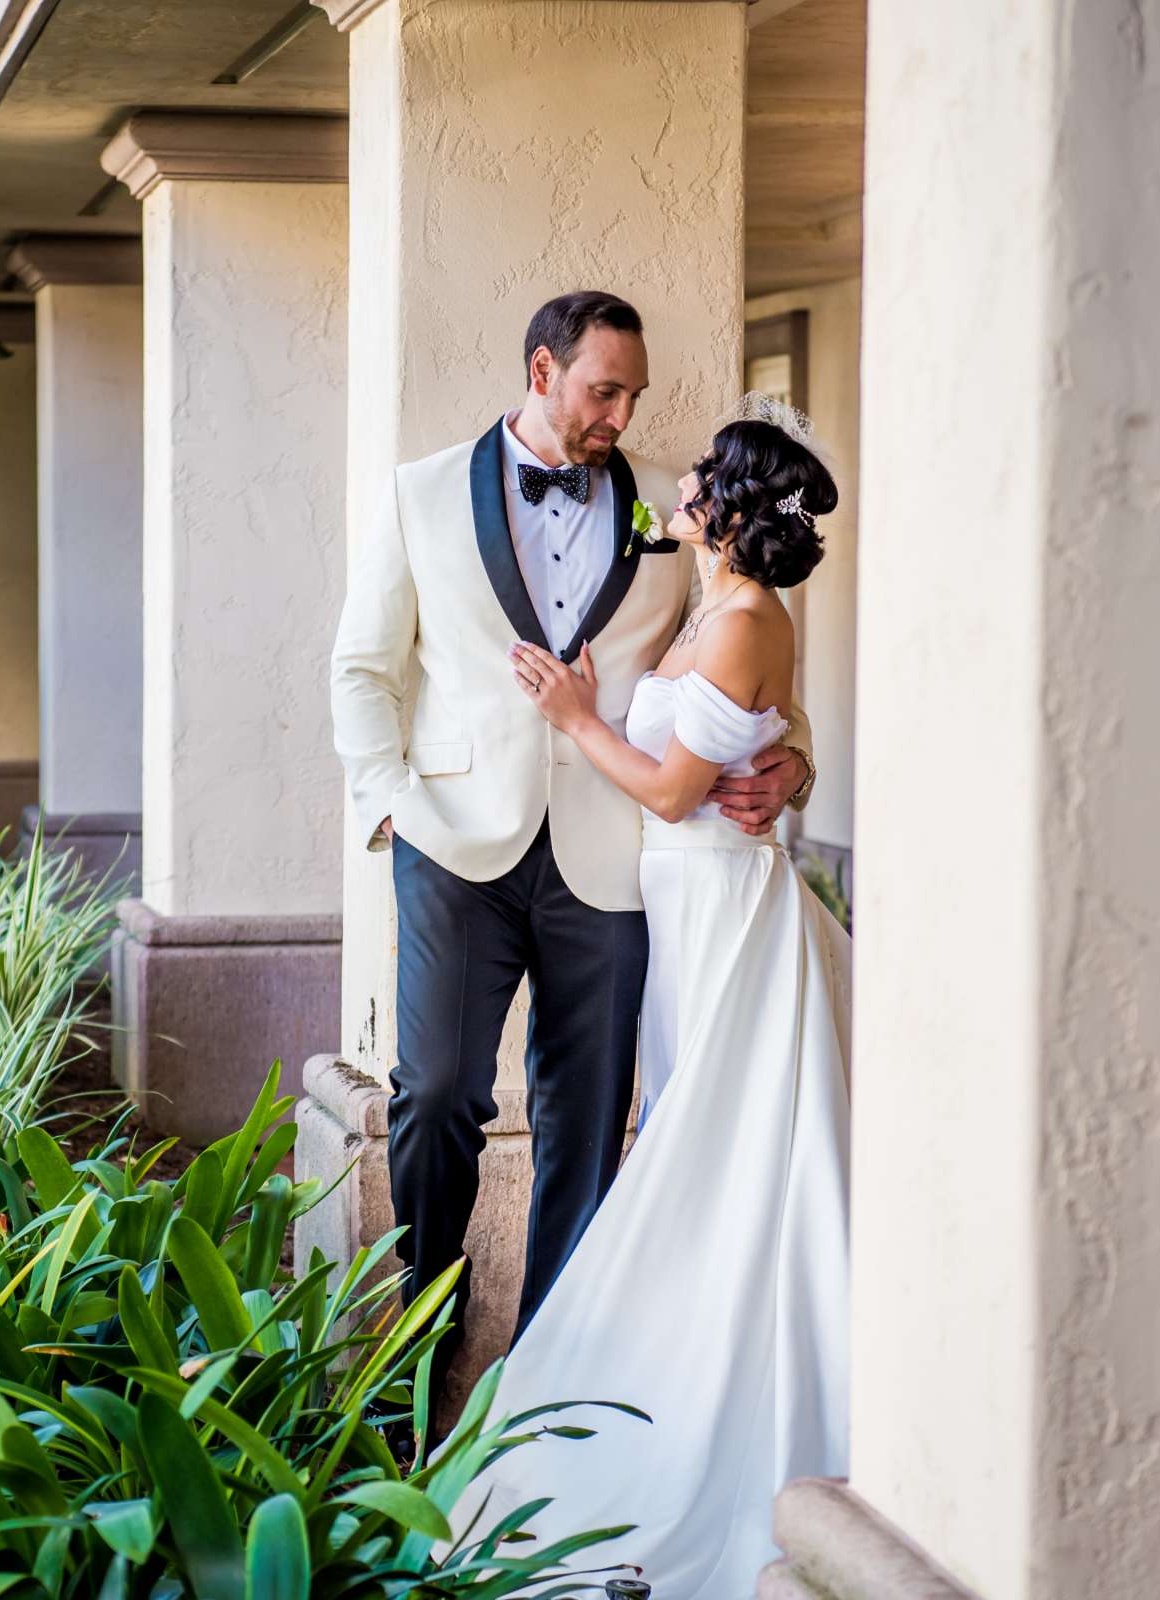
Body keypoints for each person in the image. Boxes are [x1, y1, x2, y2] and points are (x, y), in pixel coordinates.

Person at [328, 291, 812, 1413]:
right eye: (606, 390)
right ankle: (421, 1337)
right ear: (542, 371)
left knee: (586, 1116)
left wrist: (798, 769)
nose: (623, 412)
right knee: (439, 1090)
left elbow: (743, 672)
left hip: (619, 851)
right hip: (452, 840)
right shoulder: (420, 493)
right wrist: (389, 798)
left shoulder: (675, 517)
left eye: (634, 393)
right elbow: (362, 666)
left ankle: (549, 1380)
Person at [450, 400, 855, 1597]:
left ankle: (725, 1419)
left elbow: (678, 791)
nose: (673, 495)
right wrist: (796, 757)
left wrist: (575, 720)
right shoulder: (711, 607)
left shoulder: (745, 622)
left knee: (714, 1158)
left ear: (727, 511)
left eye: (692, 487)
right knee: (697, 1135)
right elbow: (758, 737)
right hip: (679, 917)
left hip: (728, 913)